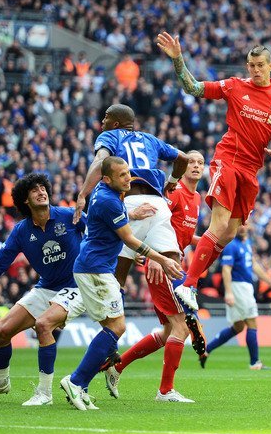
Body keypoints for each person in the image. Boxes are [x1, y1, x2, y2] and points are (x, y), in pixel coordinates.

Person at [156, 31, 271, 312]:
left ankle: (190, 282)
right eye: (251, 65)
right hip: (227, 160)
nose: (255, 70)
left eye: (260, 66)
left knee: (231, 233)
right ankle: (189, 284)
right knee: (217, 226)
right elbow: (193, 87)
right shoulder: (234, 86)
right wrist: (178, 59)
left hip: (251, 169)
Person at [61, 157, 183, 411]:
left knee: (110, 327)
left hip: (93, 266)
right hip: (96, 269)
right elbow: (129, 239)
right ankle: (76, 381)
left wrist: (131, 214)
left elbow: (111, 230)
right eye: (122, 175)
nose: (129, 178)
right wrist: (161, 259)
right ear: (107, 179)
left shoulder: (105, 194)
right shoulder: (108, 200)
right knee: (117, 327)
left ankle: (80, 383)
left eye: (129, 173)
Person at [0, 173, 87, 407]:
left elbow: (99, 232)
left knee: (43, 325)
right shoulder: (21, 231)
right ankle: (0, 383)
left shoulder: (69, 216)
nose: (41, 191)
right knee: (1, 332)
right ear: (25, 200)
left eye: (43, 187)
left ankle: (44, 394)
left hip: (76, 286)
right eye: (35, 190)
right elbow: (0, 263)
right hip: (46, 288)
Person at [102, 150, 205, 402]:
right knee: (182, 326)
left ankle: (117, 366)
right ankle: (165, 391)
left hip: (172, 262)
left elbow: (180, 232)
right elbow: (152, 219)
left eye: (201, 163)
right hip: (164, 264)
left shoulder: (197, 198)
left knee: (169, 330)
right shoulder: (175, 192)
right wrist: (152, 255)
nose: (195, 166)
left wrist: (205, 242)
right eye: (191, 161)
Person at [199, 224, 271, 370]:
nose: (242, 227)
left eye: (244, 224)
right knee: (252, 323)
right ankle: (255, 363)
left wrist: (270, 282)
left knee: (238, 327)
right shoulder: (232, 246)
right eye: (239, 225)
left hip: (243, 287)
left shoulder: (247, 243)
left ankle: (206, 350)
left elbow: (254, 266)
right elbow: (226, 269)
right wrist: (229, 292)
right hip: (239, 288)